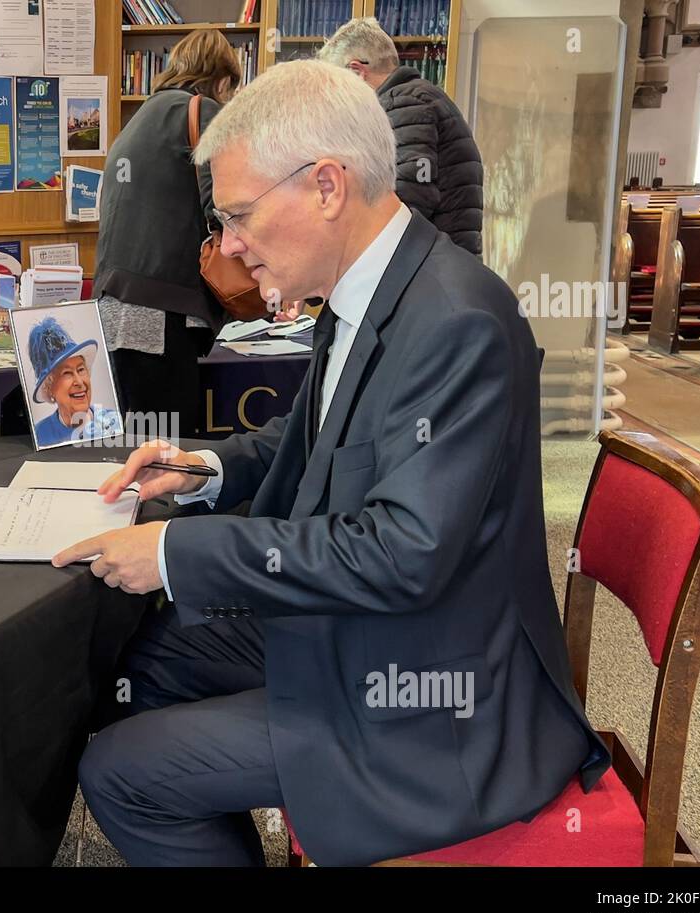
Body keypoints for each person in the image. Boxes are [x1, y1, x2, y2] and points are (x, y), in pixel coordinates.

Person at [51, 60, 609, 866]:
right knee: (137, 658)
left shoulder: (458, 321)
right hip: (365, 630)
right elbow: (312, 439)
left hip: (431, 693)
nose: (230, 247)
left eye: (239, 215)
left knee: (120, 771)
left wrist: (175, 551)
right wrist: (200, 468)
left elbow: (401, 553)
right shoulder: (374, 291)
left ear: (325, 186)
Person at [93, 29, 242, 441]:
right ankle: (166, 508)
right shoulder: (204, 112)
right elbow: (223, 205)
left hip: (113, 305)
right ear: (224, 81)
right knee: (166, 449)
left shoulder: (140, 116)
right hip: (160, 312)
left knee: (131, 440)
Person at [317, 17, 483, 255]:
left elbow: (409, 196)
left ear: (356, 72)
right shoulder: (419, 98)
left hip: (428, 269)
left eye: (335, 86)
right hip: (443, 263)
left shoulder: (405, 103)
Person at [26, 316, 122, 447]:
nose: (79, 382)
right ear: (49, 388)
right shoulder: (40, 435)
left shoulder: (114, 422)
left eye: (81, 369)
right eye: (67, 373)